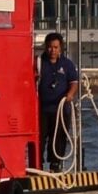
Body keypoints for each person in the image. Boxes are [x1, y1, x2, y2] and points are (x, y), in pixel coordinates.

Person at [37, 32, 80, 170]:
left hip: (61, 109)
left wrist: (70, 94)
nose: (52, 50)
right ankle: (38, 164)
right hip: (42, 110)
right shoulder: (39, 63)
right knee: (40, 138)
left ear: (60, 48)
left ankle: (56, 164)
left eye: (55, 47)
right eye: (50, 47)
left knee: (59, 138)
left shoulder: (67, 64)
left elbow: (74, 83)